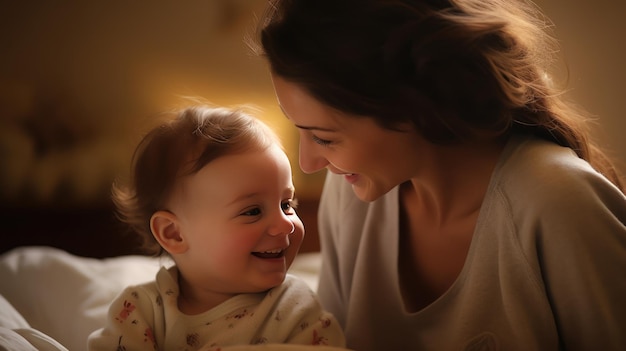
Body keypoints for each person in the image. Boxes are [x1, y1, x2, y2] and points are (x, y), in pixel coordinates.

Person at [251, 0, 626, 350]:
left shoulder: (559, 203)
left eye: (323, 137)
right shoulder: (350, 192)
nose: (308, 162)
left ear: (413, 108)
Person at [88, 104, 346, 350]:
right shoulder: (140, 312)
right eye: (253, 211)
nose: (284, 225)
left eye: (286, 204)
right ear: (173, 233)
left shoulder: (295, 308)